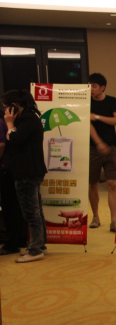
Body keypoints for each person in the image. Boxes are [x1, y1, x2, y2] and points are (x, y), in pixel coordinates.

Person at [1, 89, 47, 262]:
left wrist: (9, 123)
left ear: (14, 106)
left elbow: (15, 139)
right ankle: (40, 245)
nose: (4, 111)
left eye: (6, 107)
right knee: (36, 211)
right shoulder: (28, 118)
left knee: (31, 213)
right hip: (30, 170)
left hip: (27, 171)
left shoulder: (28, 119)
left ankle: (35, 250)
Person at [88, 73, 116, 232]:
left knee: (112, 184)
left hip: (112, 148)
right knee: (92, 184)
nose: (91, 89)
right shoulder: (87, 102)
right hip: (93, 149)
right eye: (89, 86)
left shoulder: (112, 101)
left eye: (94, 86)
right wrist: (99, 143)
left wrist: (97, 117)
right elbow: (88, 125)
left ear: (102, 87)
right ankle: (95, 216)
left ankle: (114, 220)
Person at [0, 112, 28, 255]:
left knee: (9, 207)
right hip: (14, 168)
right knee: (16, 206)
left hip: (6, 169)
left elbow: (1, 145)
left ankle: (12, 243)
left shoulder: (1, 123)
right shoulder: (16, 122)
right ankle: (21, 239)